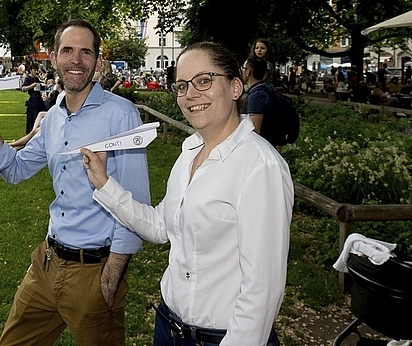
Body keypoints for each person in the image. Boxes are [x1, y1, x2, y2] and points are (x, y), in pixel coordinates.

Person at [81, 41, 293, 346]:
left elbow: (262, 292)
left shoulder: (260, 166)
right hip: (169, 328)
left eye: (204, 81)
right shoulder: (190, 154)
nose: (191, 94)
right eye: (181, 86)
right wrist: (103, 183)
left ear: (235, 88)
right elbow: (160, 225)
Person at [0, 18, 150, 345]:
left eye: (86, 52)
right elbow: (14, 169)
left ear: (97, 62)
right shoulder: (53, 118)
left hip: (95, 273)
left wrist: (110, 279)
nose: (76, 60)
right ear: (53, 58)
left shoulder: (120, 115)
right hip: (46, 265)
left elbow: (136, 203)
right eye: (67, 50)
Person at [242, 56, 280, 149]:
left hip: (261, 149)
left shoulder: (257, 96)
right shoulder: (265, 90)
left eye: (243, 68)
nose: (241, 71)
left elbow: (254, 130)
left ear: (248, 72)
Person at [22, 64, 47, 134]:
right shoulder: (28, 79)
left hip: (39, 99)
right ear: (31, 71)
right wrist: (32, 86)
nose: (36, 72)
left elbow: (40, 87)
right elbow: (23, 89)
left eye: (37, 70)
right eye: (34, 70)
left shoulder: (36, 79)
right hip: (33, 99)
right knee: (33, 115)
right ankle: (32, 130)